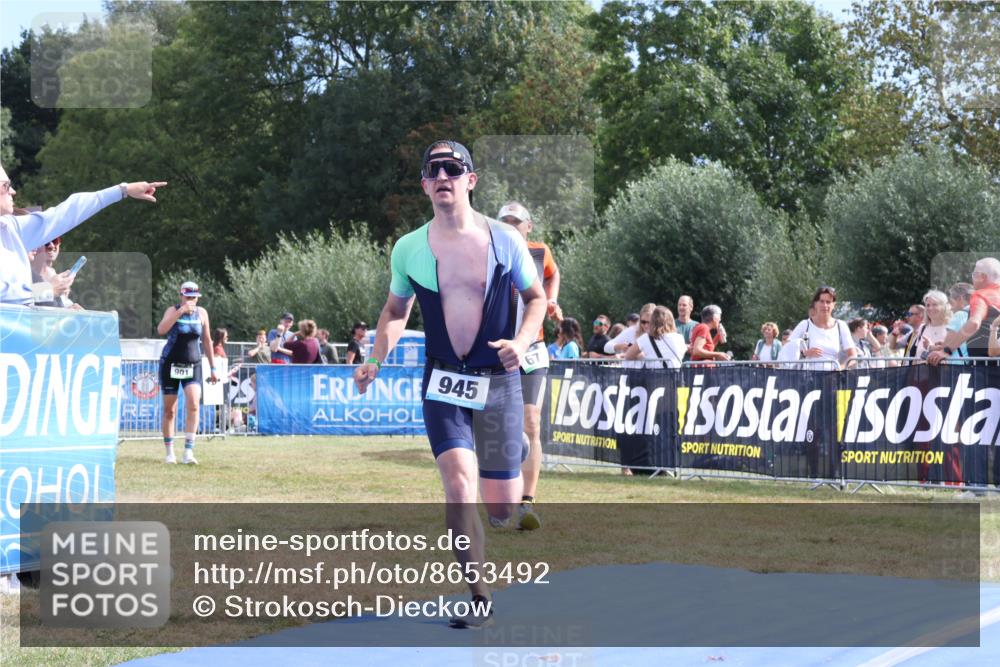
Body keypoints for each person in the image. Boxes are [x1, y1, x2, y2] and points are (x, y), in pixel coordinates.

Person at [353, 140, 545, 629]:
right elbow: (396, 312)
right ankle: (479, 599)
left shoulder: (506, 239)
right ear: (424, 184)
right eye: (433, 170)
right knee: (459, 488)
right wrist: (375, 358)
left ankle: (514, 449)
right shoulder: (409, 247)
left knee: (501, 509)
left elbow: (536, 298)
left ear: (471, 180)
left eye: (453, 169)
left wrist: (522, 343)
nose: (443, 176)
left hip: (499, 381)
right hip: (444, 382)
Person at [1, 167, 166, 304]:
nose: (13, 192)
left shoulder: (10, 227)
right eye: (6, 186)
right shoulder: (11, 228)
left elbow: (65, 214)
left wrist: (123, 190)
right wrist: (48, 290)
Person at [498, 201, 562, 531]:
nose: (510, 225)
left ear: (529, 226)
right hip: (498, 349)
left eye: (516, 221)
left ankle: (527, 502)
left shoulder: (539, 253)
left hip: (533, 347)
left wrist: (551, 300)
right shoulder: (488, 252)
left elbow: (553, 274)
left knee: (531, 420)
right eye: (504, 221)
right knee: (497, 425)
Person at [156, 281, 218, 465]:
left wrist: (213, 367)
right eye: (187, 296)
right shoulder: (172, 310)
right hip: (171, 363)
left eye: (194, 297)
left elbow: (207, 340)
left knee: (193, 404)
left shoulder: (202, 313)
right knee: (170, 411)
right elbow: (161, 330)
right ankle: (170, 453)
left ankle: (188, 452)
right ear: (181, 296)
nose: (191, 300)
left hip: (193, 364)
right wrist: (180, 312)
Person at [928, 257, 1000, 364]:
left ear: (982, 277)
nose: (972, 279)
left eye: (974, 274)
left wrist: (946, 350)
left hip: (985, 368)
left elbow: (974, 323)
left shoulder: (981, 295)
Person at [783, 286, 856, 370]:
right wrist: (804, 353)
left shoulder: (841, 325)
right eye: (821, 301)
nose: (824, 305)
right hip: (808, 378)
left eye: (828, 302)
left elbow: (853, 356)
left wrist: (840, 368)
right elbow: (786, 349)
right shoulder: (804, 325)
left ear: (834, 305)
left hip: (833, 378)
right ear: (815, 303)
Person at [907, 290, 951, 361]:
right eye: (928, 305)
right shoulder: (922, 328)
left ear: (944, 307)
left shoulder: (952, 328)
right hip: (922, 371)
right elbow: (916, 357)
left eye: (935, 305)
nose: (930, 308)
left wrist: (931, 348)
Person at [945, 282, 973, 360]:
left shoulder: (959, 315)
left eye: (951, 302)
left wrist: (931, 347)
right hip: (974, 365)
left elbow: (946, 345)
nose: (951, 307)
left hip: (958, 365)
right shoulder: (977, 315)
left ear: (959, 299)